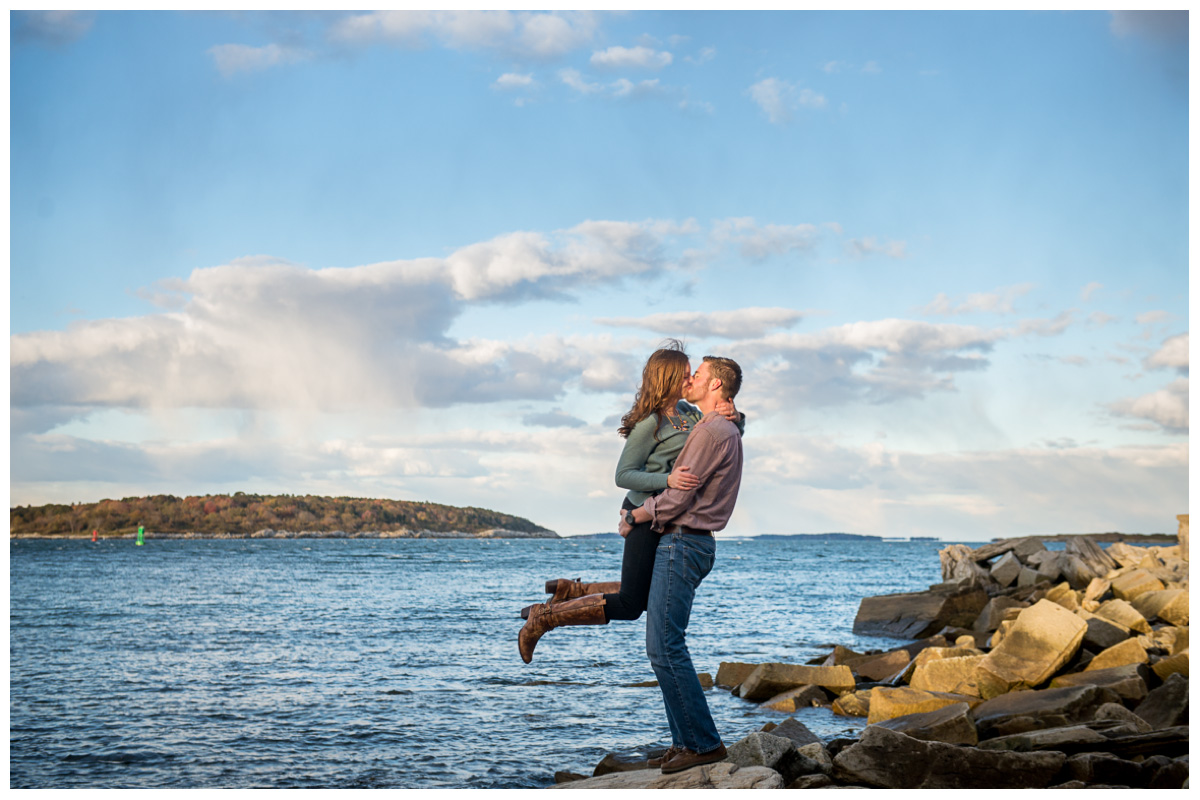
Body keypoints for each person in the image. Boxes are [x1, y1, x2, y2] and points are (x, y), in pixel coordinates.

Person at [517, 342, 742, 663]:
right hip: (645, 512)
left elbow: (719, 433)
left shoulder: (690, 414)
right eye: (686, 376)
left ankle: (575, 592)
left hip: (663, 512)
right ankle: (544, 617)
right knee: (636, 602)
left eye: (694, 375)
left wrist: (737, 415)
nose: (691, 381)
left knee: (651, 595)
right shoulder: (650, 424)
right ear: (668, 379)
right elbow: (624, 475)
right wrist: (658, 491)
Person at [619, 355, 744, 774]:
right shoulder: (717, 425)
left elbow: (678, 497)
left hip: (682, 541)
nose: (691, 379)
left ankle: (704, 744)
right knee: (663, 646)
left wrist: (635, 516)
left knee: (665, 646)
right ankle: (684, 742)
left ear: (714, 386)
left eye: (698, 374)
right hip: (687, 542)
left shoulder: (709, 432)